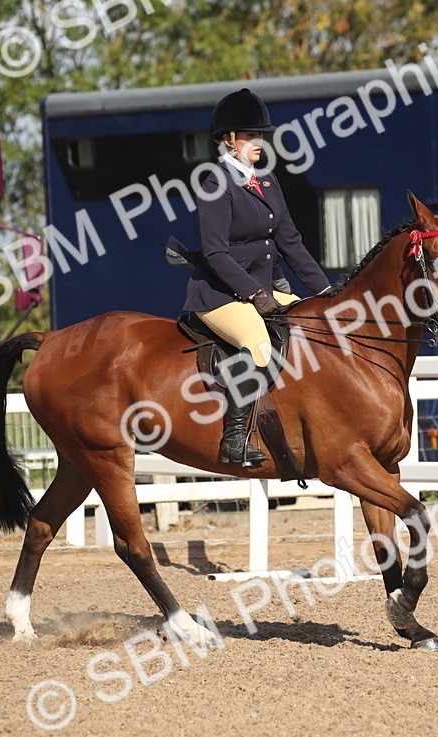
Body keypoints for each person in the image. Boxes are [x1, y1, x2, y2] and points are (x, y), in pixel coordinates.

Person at [184, 88, 331, 466]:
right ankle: (233, 439)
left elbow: (292, 244)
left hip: (261, 290)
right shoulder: (213, 182)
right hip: (218, 295)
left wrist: (327, 292)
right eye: (251, 136)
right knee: (257, 342)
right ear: (229, 139)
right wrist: (255, 294)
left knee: (311, 324)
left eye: (261, 136)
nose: (259, 143)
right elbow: (215, 252)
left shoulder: (266, 182)